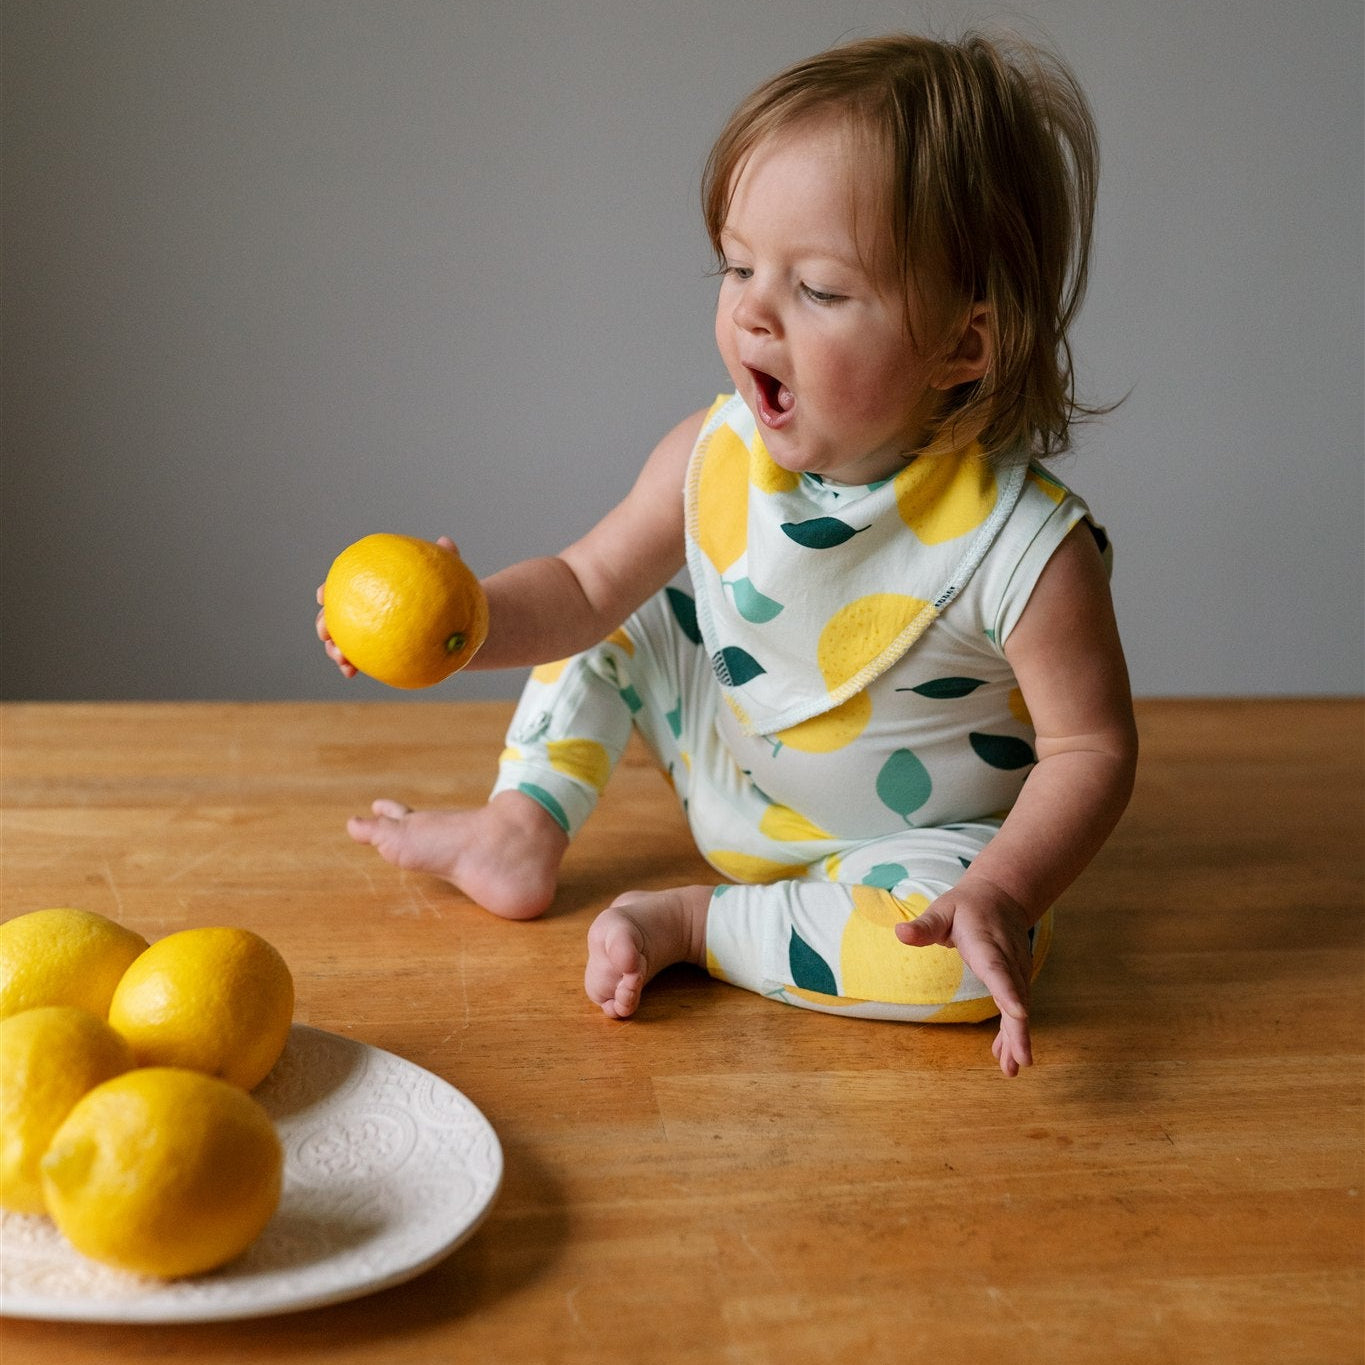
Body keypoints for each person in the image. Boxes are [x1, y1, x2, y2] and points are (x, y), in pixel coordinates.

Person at [317, 32, 1138, 1075]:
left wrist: (1005, 888)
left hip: (905, 847)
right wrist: (461, 619)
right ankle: (520, 823)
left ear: (961, 347)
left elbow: (1091, 753)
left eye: (820, 290)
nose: (752, 308)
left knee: (961, 966)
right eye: (741, 265)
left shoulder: (1024, 547)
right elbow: (578, 589)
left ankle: (704, 927)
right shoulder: (713, 457)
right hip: (731, 766)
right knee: (631, 611)